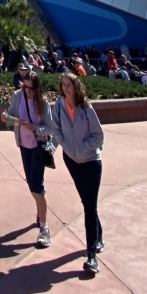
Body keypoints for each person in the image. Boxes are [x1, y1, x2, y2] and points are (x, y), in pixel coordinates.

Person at [52, 72, 105, 276]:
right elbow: (55, 128)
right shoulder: (59, 105)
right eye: (63, 84)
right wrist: (65, 145)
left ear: (76, 87)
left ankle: (91, 256)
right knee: (87, 203)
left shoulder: (86, 108)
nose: (65, 88)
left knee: (89, 207)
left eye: (69, 84)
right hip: (72, 161)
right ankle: (98, 235)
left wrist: (83, 147)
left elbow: (99, 136)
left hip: (91, 162)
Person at [3, 70, 54, 247]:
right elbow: (10, 117)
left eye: (31, 89)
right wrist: (6, 118)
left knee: (37, 185)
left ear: (37, 88)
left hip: (38, 146)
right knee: (31, 183)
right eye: (25, 87)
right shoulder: (18, 96)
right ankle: (40, 211)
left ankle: (44, 228)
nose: (28, 91)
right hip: (24, 145)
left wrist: (35, 129)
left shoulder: (43, 102)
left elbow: (49, 128)